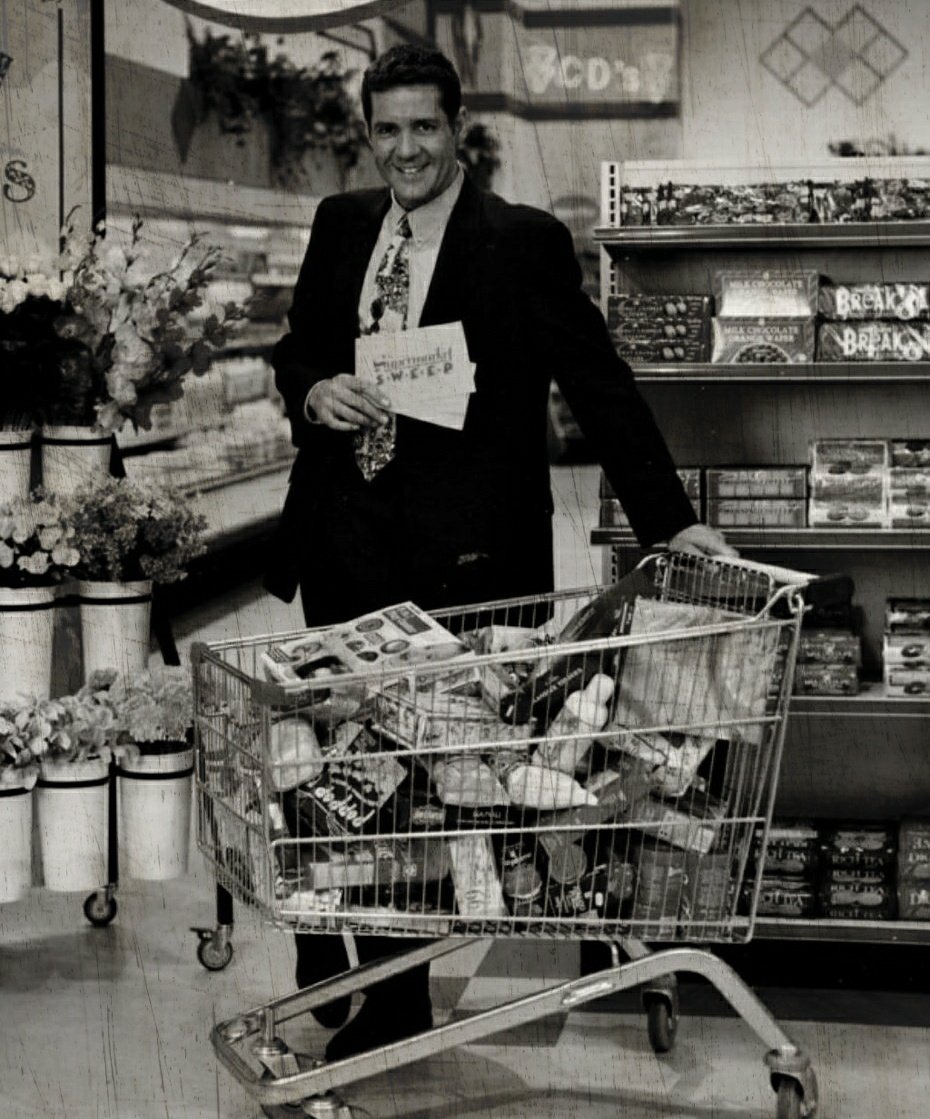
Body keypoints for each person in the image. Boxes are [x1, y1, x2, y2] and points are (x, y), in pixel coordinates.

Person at [266, 43, 733, 1061]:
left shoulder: (519, 242)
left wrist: (669, 519)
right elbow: (298, 346)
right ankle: (324, 933)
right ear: (368, 132)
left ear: (457, 126)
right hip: (345, 539)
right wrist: (312, 389)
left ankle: (393, 996)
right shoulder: (341, 226)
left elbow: (596, 381)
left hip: (463, 560)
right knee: (336, 754)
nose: (404, 151)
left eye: (422, 128)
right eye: (385, 130)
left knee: (434, 777)